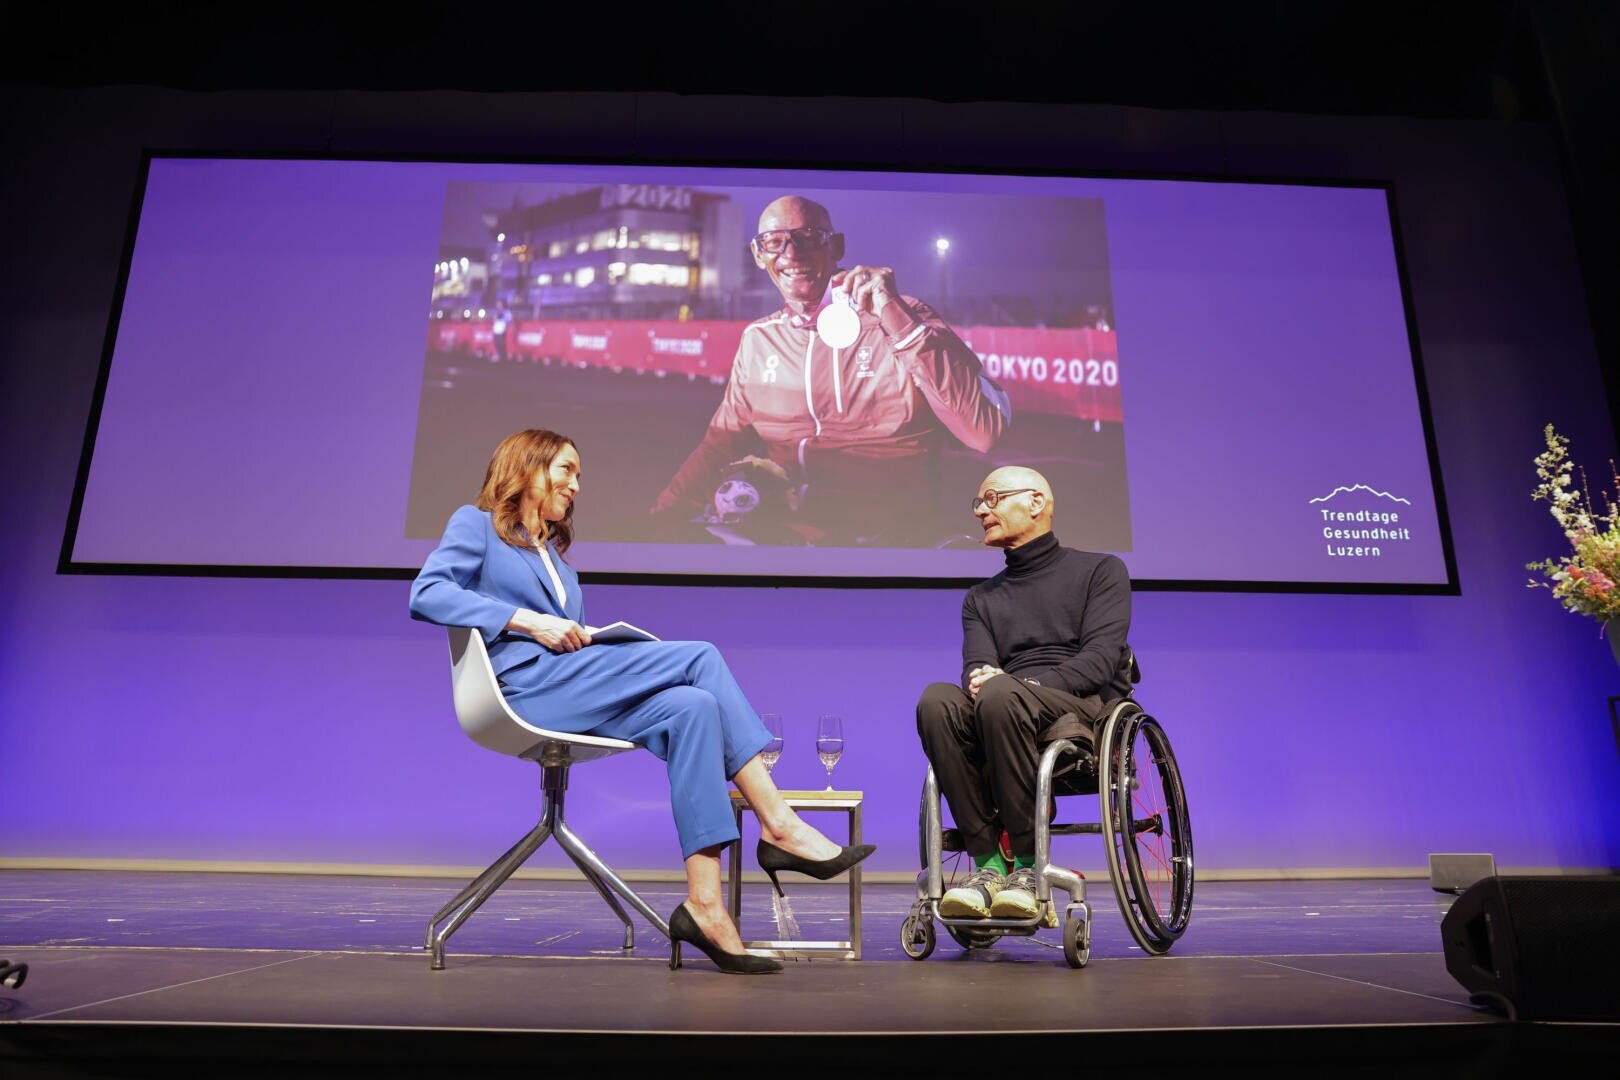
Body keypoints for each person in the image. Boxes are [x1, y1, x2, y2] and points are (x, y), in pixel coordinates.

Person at [411, 428, 874, 974]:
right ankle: (780, 825)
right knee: (701, 657)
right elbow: (427, 593)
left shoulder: (559, 562)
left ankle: (705, 907)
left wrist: (584, 634)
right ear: (528, 468)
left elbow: (571, 635)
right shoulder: (477, 526)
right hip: (526, 691)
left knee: (693, 708)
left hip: (570, 684)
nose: (576, 485)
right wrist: (529, 620)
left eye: (578, 475)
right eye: (566, 470)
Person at [650, 195, 1010, 546]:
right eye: (774, 242)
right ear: (759, 256)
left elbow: (982, 432)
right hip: (780, 533)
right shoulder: (759, 339)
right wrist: (660, 517)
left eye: (808, 238)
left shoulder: (902, 316)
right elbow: (718, 445)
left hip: (889, 541)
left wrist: (897, 318)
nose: (791, 254)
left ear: (836, 247)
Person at [914, 465, 1132, 924]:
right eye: (978, 503)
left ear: (1036, 503)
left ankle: (1031, 870)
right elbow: (976, 668)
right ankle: (990, 866)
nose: (980, 511)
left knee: (998, 695)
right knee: (936, 701)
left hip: (1078, 703)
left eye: (991, 499)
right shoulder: (981, 598)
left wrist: (1023, 687)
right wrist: (992, 683)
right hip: (1003, 706)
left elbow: (1099, 661)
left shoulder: (1101, 570)